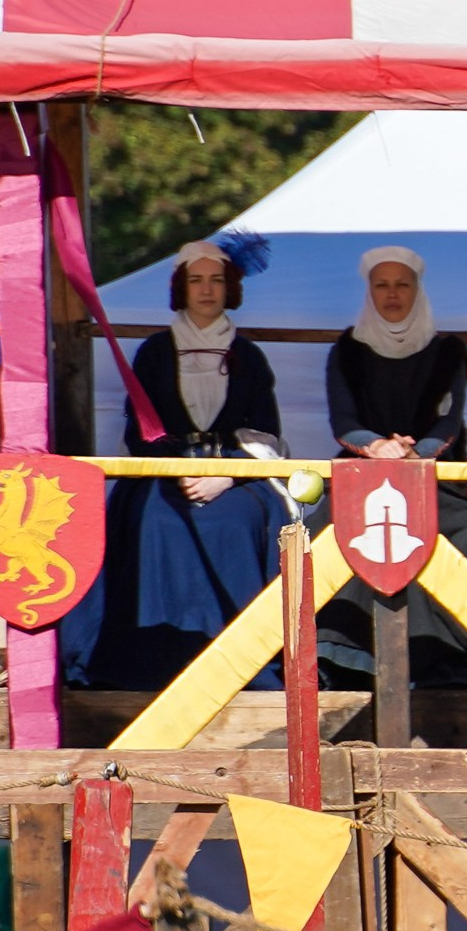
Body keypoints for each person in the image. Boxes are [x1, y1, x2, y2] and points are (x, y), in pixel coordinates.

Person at [65, 234, 287, 690]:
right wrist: (178, 467)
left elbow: (266, 430)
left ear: (231, 288)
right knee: (155, 523)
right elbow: (139, 431)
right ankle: (155, 658)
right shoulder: (154, 351)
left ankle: (242, 659)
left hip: (235, 474)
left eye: (216, 280)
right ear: (181, 288)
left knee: (237, 523)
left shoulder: (249, 356)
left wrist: (226, 476)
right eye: (196, 280)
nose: (207, 289)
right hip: (165, 471)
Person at [310, 247, 467, 689]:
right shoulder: (347, 349)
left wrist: (417, 456)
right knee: (332, 525)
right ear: (370, 291)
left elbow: (448, 420)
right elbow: (343, 421)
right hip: (364, 469)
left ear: (417, 290)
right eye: (382, 284)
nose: (392, 294)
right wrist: (378, 447)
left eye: (402, 284)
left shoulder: (449, 351)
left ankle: (447, 654)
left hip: (429, 470)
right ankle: (347, 651)